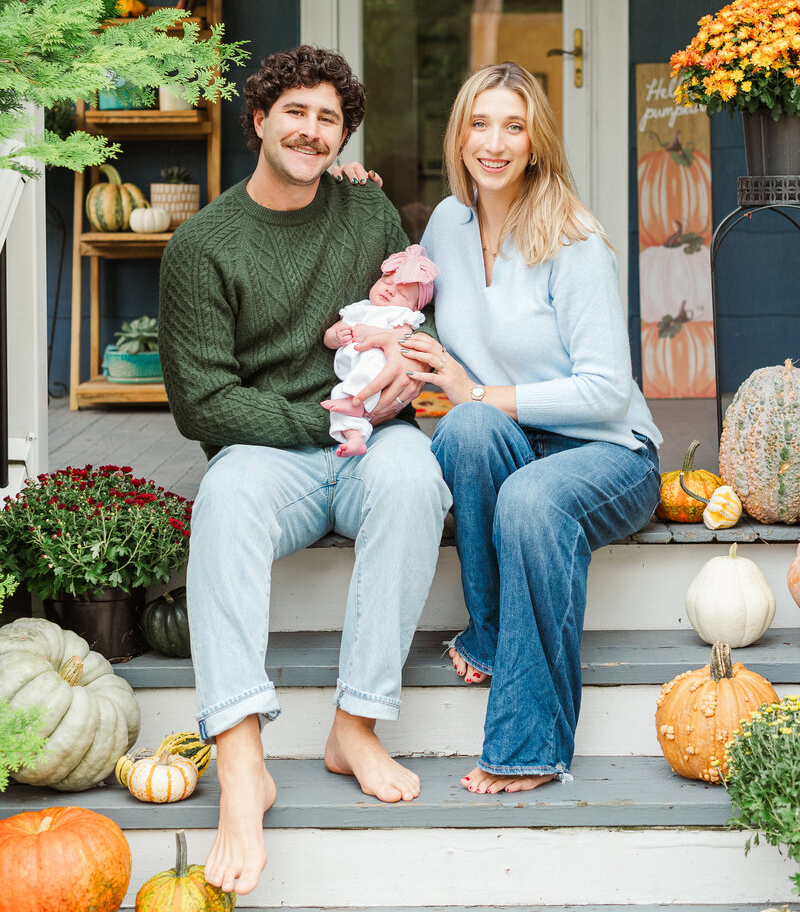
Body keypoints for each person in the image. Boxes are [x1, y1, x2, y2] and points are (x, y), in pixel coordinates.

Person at [158, 45, 451, 897]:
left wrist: (406, 373)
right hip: (273, 450)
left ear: (342, 136)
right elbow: (203, 404)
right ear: (259, 119)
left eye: (329, 118)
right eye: (296, 112)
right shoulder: (202, 246)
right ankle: (243, 761)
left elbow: (404, 314)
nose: (312, 130)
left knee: (414, 478)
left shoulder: (368, 213)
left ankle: (355, 724)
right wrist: (323, 422)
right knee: (224, 496)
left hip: (369, 440)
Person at [396, 61, 662, 796]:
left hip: (608, 453)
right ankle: (487, 631)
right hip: (517, 438)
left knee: (530, 495)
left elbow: (607, 391)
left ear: (536, 142)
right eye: (480, 123)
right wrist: (347, 186)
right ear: (459, 135)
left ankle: (528, 744)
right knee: (466, 433)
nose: (494, 142)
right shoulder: (448, 223)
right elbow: (407, 293)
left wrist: (477, 387)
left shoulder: (572, 240)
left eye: (513, 125)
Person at [322, 244, 438, 456]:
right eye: (386, 281)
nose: (390, 289)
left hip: (377, 370)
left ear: (413, 308)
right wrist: (337, 336)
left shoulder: (400, 316)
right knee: (338, 397)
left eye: (401, 293)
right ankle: (355, 438)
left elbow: (402, 340)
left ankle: (357, 411)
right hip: (348, 373)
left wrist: (370, 331)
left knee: (369, 368)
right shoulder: (358, 308)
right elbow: (329, 337)